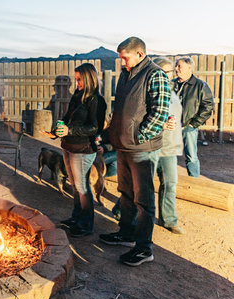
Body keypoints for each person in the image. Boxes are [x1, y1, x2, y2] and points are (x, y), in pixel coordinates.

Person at [99, 37, 170, 266]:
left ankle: (144, 248)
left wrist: (138, 137)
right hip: (124, 145)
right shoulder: (125, 74)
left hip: (141, 149)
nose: (122, 62)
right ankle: (126, 234)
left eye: (125, 58)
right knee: (126, 193)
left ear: (140, 54)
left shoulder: (155, 75)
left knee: (144, 200)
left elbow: (159, 112)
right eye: (121, 58)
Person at [56, 63, 107, 237]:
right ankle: (76, 218)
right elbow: (66, 117)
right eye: (76, 79)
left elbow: (96, 128)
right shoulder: (77, 96)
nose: (76, 82)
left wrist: (70, 130)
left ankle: (86, 224)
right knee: (75, 186)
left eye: (79, 79)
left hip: (83, 148)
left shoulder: (97, 100)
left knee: (82, 186)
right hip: (68, 146)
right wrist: (57, 129)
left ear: (89, 78)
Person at [151, 57, 185, 234]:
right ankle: (122, 211)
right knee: (143, 184)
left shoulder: (173, 92)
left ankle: (169, 220)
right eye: (164, 72)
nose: (168, 75)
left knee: (170, 183)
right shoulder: (151, 92)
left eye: (169, 72)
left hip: (170, 147)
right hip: (153, 145)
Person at [173, 56, 214, 177]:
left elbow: (208, 107)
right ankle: (169, 182)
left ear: (189, 67)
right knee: (168, 157)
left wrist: (193, 124)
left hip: (188, 127)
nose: (176, 69)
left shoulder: (200, 86)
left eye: (179, 66)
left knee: (191, 156)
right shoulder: (172, 84)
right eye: (176, 66)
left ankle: (194, 182)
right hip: (171, 127)